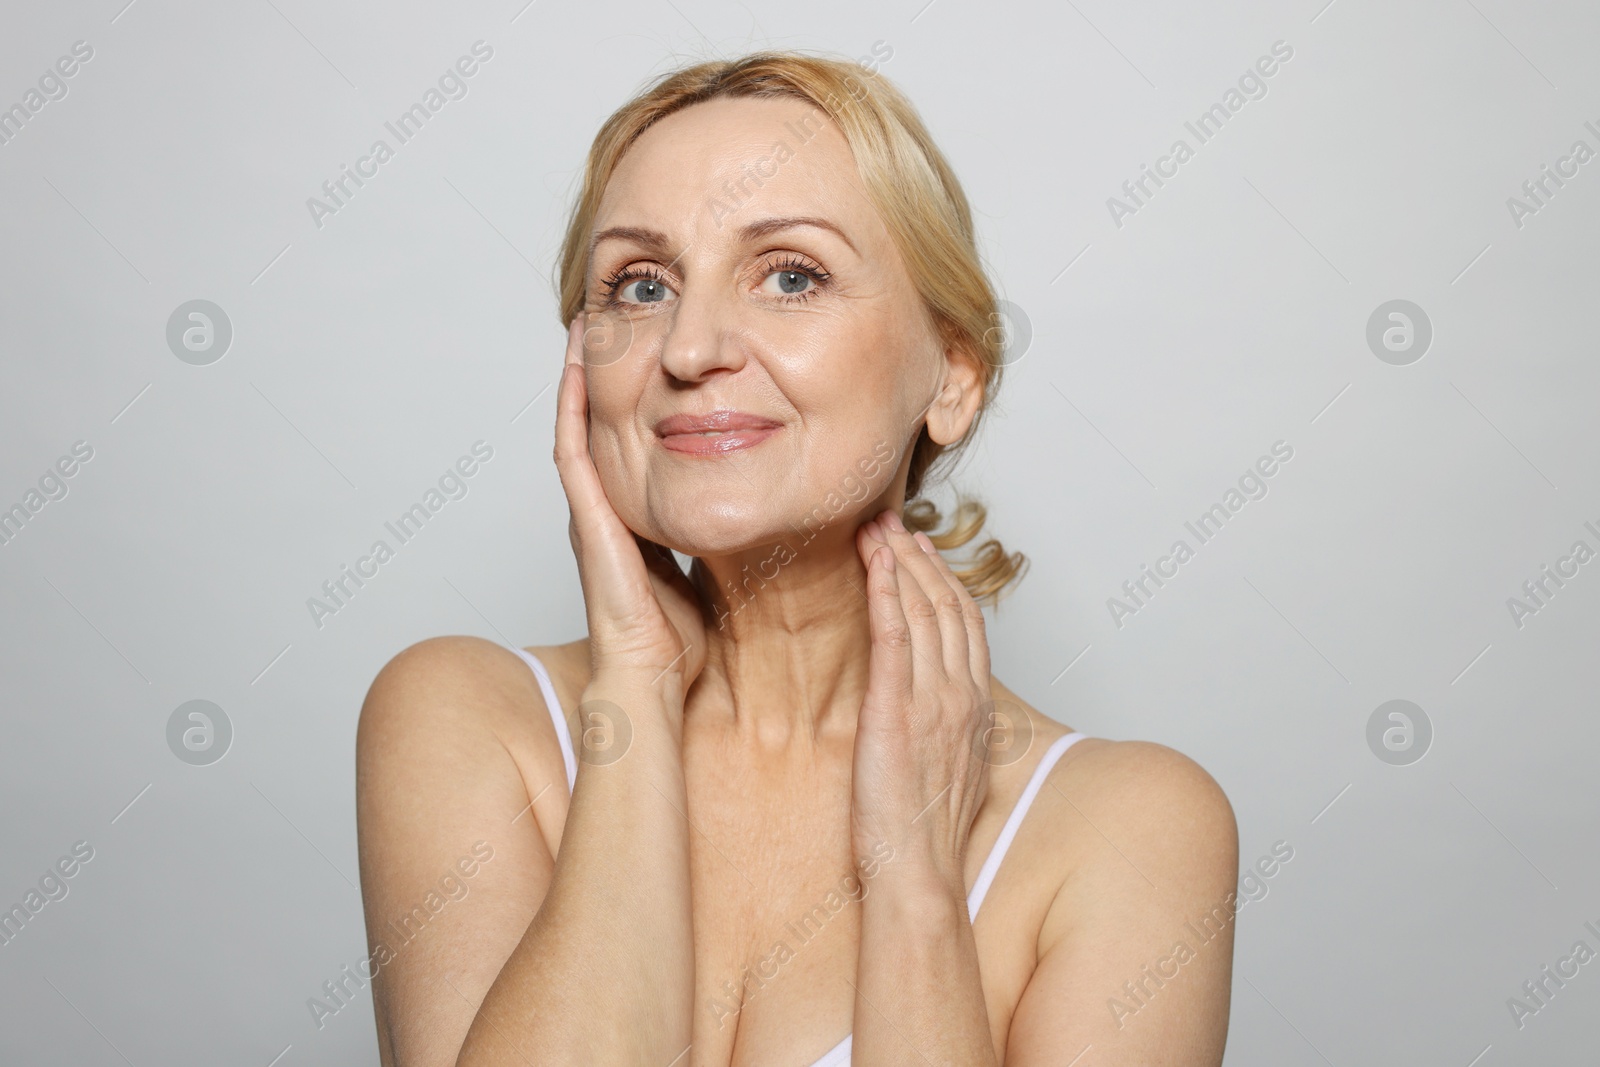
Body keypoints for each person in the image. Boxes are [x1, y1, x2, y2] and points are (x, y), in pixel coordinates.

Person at [355, 49, 1238, 1066]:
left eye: (790, 274)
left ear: (952, 374)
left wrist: (914, 886)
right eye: (638, 286)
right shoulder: (464, 719)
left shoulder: (1132, 828)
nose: (689, 348)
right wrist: (636, 686)